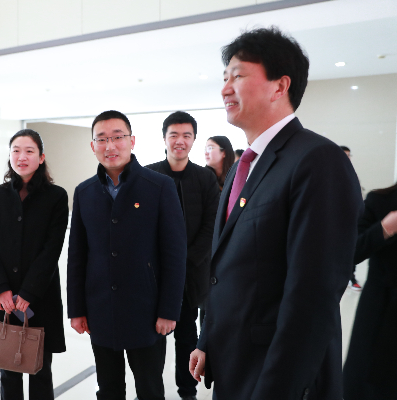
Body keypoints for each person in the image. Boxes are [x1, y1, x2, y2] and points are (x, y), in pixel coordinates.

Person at [189, 27, 363, 400]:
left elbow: (312, 297)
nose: (224, 89)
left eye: (237, 76)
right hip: (234, 363)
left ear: (280, 86)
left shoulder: (317, 160)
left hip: (277, 377)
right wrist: (207, 339)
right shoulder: (243, 167)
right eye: (224, 78)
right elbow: (227, 268)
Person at [67, 110, 186, 400]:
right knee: (108, 388)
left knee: (149, 388)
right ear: (93, 146)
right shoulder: (84, 192)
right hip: (100, 309)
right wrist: (76, 309)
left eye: (118, 137)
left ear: (132, 141)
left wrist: (169, 311)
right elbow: (77, 256)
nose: (110, 146)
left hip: (146, 310)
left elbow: (175, 253)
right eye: (102, 139)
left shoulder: (159, 186)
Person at [0, 129, 68, 400]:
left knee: (40, 369)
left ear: (41, 157)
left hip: (39, 297)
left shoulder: (56, 197)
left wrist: (28, 292)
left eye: (29, 151)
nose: (21, 157)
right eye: (15, 150)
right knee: (7, 369)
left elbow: (51, 250)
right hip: (3, 297)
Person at [145, 111, 219, 400]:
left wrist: (183, 262)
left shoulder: (205, 178)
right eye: (174, 135)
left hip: (190, 276)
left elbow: (211, 226)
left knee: (187, 338)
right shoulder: (148, 176)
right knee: (152, 341)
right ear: (164, 138)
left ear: (194, 139)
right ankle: (151, 392)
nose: (180, 141)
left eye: (186, 135)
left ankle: (187, 392)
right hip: (154, 276)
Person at [343, 182, 397, 400]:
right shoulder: (380, 200)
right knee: (367, 383)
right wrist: (384, 229)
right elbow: (351, 251)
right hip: (380, 313)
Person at [340, 145, 363, 291]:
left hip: (349, 218)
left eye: (349, 155)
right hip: (334, 220)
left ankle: (350, 277)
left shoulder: (352, 174)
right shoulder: (329, 172)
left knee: (351, 247)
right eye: (345, 155)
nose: (347, 158)